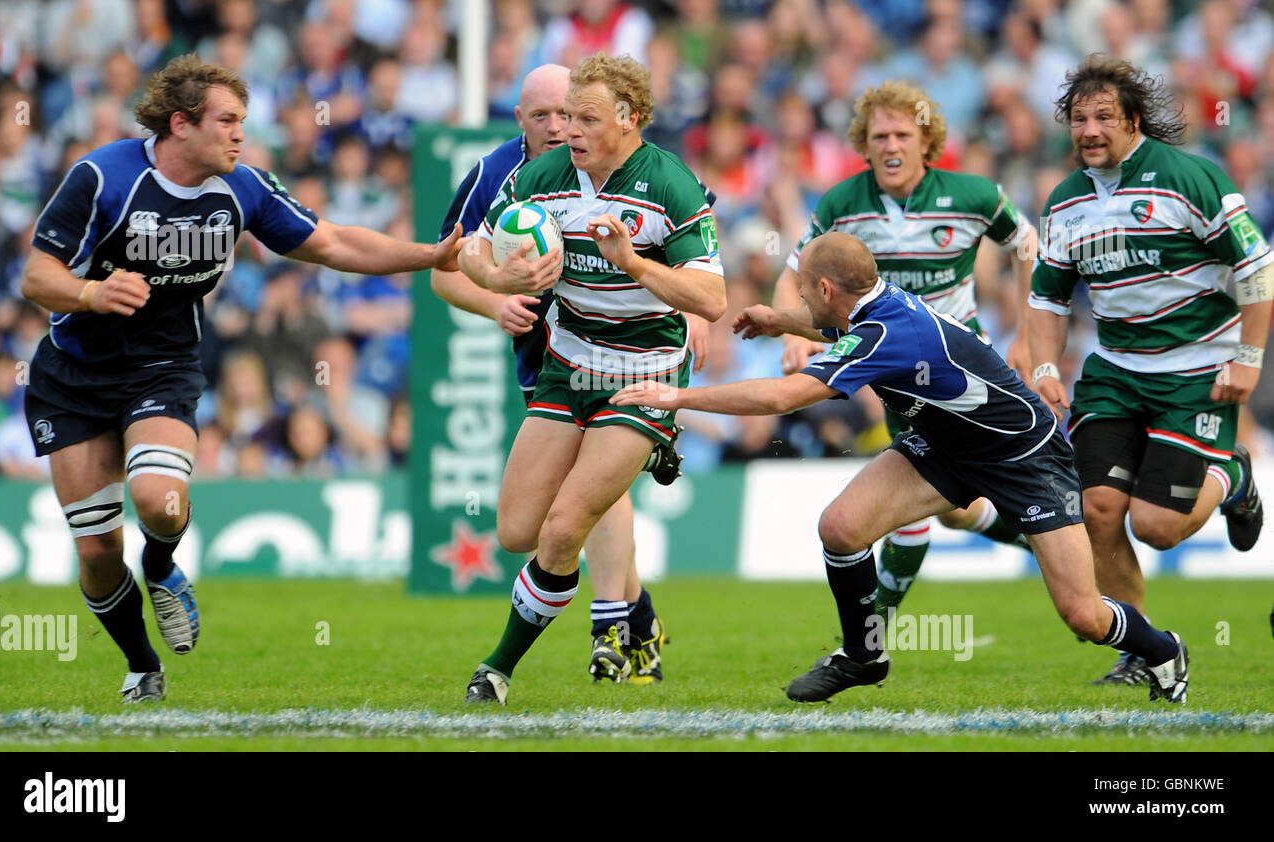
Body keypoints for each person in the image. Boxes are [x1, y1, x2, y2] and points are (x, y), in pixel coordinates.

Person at [20, 55, 463, 703]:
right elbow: (36, 277)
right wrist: (90, 294)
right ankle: (143, 665)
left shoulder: (244, 189)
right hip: (72, 376)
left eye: (243, 122)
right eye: (227, 121)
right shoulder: (102, 176)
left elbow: (334, 244)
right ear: (181, 124)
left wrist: (428, 256)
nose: (239, 134)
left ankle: (163, 567)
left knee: (158, 502)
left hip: (161, 368)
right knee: (93, 550)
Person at [614, 232, 1191, 704]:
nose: (805, 299)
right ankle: (864, 656)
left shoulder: (888, 331)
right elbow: (836, 326)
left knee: (1083, 615)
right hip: (945, 445)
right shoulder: (873, 304)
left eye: (803, 291)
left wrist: (675, 399)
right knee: (841, 527)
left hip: (1025, 457)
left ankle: (1164, 648)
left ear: (824, 286)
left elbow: (778, 399)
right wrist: (783, 322)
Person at [457, 53, 725, 704]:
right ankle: (635, 620)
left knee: (562, 529)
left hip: (645, 374)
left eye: (585, 118)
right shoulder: (539, 177)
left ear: (629, 120)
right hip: (568, 365)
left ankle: (496, 670)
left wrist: (632, 262)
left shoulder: (671, 184)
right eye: (564, 117)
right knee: (517, 531)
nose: (569, 131)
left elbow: (712, 299)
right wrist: (500, 279)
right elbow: (470, 251)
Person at [1028, 56, 1271, 686]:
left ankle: (1233, 476)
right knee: (1097, 508)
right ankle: (1143, 650)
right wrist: (1047, 366)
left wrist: (1249, 358)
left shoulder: (1189, 179)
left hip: (1198, 369)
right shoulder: (1064, 204)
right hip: (1116, 373)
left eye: (1104, 117)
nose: (1090, 130)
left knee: (1158, 527)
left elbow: (1258, 272)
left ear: (1133, 120)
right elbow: (1048, 301)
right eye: (1080, 119)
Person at [771, 80, 1038, 615]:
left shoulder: (975, 196)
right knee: (950, 510)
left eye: (901, 134)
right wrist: (789, 335)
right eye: (878, 136)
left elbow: (1029, 248)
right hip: (899, 378)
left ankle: (873, 631)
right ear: (864, 145)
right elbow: (793, 273)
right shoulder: (843, 204)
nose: (890, 145)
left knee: (939, 501)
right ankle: (1042, 539)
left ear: (926, 140)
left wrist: (1028, 338)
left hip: (968, 371)